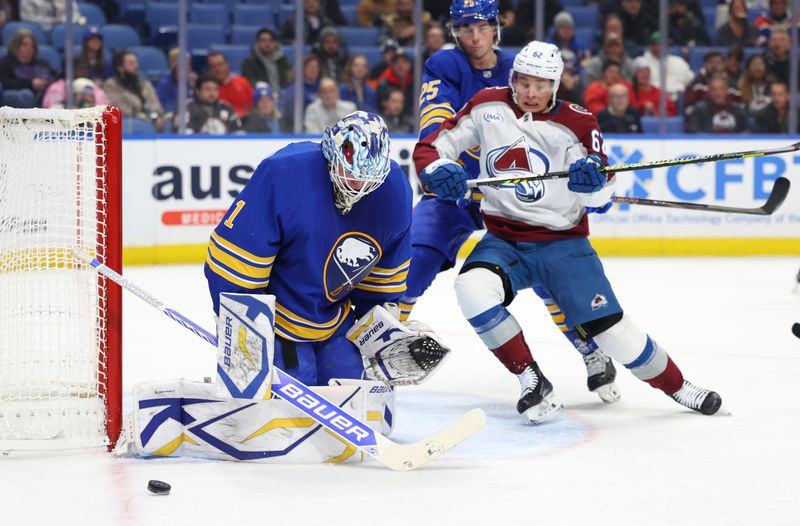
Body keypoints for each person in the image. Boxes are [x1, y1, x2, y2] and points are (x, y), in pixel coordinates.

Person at [413, 40, 723, 423]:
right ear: (512, 79)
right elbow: (433, 146)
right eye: (523, 82)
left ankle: (679, 386)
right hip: (504, 241)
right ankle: (530, 378)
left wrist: (593, 182)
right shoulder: (486, 104)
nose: (530, 93)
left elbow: (600, 197)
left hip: (563, 245)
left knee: (615, 336)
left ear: (555, 85)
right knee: (471, 289)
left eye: (540, 85)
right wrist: (435, 170)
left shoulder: (578, 122)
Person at [407, 0, 620, 402]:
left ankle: (590, 350)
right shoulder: (444, 65)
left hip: (513, 191)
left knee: (548, 274)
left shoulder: (523, 65)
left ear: (496, 27)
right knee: (415, 256)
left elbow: (557, 124)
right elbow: (436, 123)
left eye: (482, 27)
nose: (473, 37)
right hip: (459, 186)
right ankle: (385, 344)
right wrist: (439, 168)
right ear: (453, 31)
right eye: (464, 29)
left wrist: (589, 175)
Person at [205, 111, 411, 387]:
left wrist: (384, 336)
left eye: (367, 179)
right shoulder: (286, 173)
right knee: (291, 405)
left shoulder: (394, 191)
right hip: (276, 324)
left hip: (334, 322)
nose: (357, 186)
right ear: (332, 153)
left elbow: (381, 285)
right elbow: (234, 264)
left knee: (353, 392)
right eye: (351, 174)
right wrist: (242, 332)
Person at [103, 49, 164, 127]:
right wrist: (142, 115)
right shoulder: (111, 85)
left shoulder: (144, 83)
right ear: (120, 68)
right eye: (131, 63)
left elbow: (156, 104)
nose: (136, 66)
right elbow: (123, 110)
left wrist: (155, 114)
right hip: (126, 126)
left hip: (151, 121)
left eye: (136, 62)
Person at [0, 28, 54, 108]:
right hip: (16, 98)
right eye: (24, 45)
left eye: (32, 46)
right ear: (16, 46)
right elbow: (4, 83)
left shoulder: (42, 63)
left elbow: (54, 77)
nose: (29, 49)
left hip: (41, 96)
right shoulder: (5, 63)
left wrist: (46, 83)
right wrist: (30, 84)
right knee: (26, 94)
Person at [683, 51, 742, 118]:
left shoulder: (731, 83)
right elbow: (688, 108)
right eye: (710, 62)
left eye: (718, 62)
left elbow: (740, 106)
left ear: (724, 65)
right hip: (703, 121)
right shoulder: (696, 83)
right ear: (705, 64)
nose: (714, 66)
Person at [685, 75, 749, 133]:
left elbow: (747, 131)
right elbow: (693, 130)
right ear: (709, 91)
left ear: (727, 91)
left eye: (721, 89)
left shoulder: (738, 110)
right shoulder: (699, 110)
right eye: (713, 89)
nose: (717, 93)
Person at [42, 56, 110, 108]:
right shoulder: (58, 87)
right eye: (79, 69)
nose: (82, 72)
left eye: (85, 69)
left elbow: (104, 107)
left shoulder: (91, 85)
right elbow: (51, 108)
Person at [207, 52, 253, 118]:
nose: (217, 69)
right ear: (209, 69)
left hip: (246, 123)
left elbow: (253, 107)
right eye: (213, 66)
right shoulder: (208, 90)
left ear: (227, 65)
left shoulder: (242, 82)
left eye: (220, 65)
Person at [156, 48, 196, 116]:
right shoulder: (164, 84)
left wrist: (195, 88)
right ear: (175, 66)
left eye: (189, 63)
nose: (188, 67)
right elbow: (166, 108)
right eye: (185, 64)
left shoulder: (192, 81)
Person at [374, 49, 414, 119]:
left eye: (404, 62)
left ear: (409, 65)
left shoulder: (416, 85)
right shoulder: (383, 86)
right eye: (397, 62)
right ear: (392, 65)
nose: (400, 66)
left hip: (411, 122)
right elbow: (380, 111)